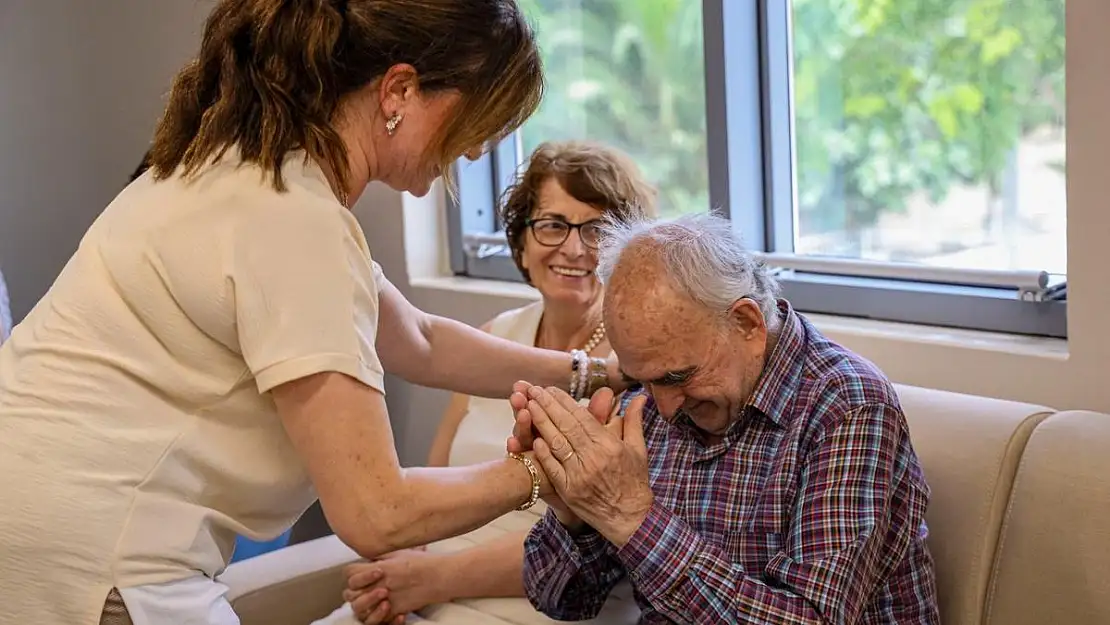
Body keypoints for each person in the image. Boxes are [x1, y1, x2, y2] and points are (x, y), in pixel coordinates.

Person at [0, 1, 626, 624]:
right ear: (399, 90)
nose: (473, 152)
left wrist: (596, 373)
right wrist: (556, 467)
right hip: (94, 557)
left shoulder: (240, 171)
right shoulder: (295, 223)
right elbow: (377, 513)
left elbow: (421, 341)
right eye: (478, 120)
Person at [511, 213, 942, 623]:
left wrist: (632, 518)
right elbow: (563, 601)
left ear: (747, 323)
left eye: (677, 377)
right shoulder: (656, 394)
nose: (664, 408)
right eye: (643, 381)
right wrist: (575, 511)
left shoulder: (846, 406)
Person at [341, 140, 656, 623]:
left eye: (596, 230)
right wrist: (399, 578)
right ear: (523, 242)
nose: (573, 248)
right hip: (424, 587)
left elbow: (603, 541)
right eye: (552, 225)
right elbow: (438, 474)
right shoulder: (493, 340)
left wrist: (429, 578)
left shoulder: (639, 366)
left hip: (536, 605)